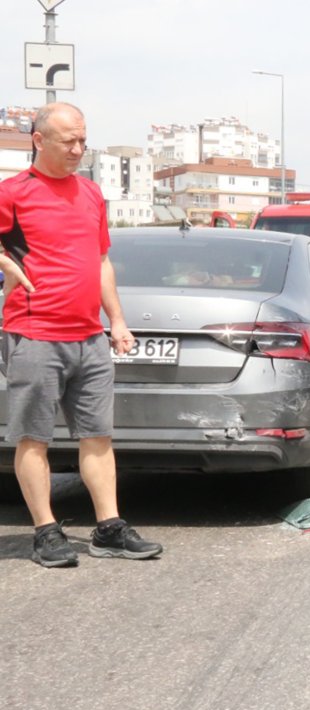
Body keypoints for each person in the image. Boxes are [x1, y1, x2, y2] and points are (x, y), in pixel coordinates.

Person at [0, 103, 163, 568]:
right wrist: (3, 261)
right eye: (67, 141)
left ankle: (109, 528)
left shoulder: (91, 193)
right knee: (34, 438)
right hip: (34, 333)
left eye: (82, 141)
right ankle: (45, 531)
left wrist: (117, 320)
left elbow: (101, 262)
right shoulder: (12, 193)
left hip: (89, 336)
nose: (77, 150)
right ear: (38, 140)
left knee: (98, 437)